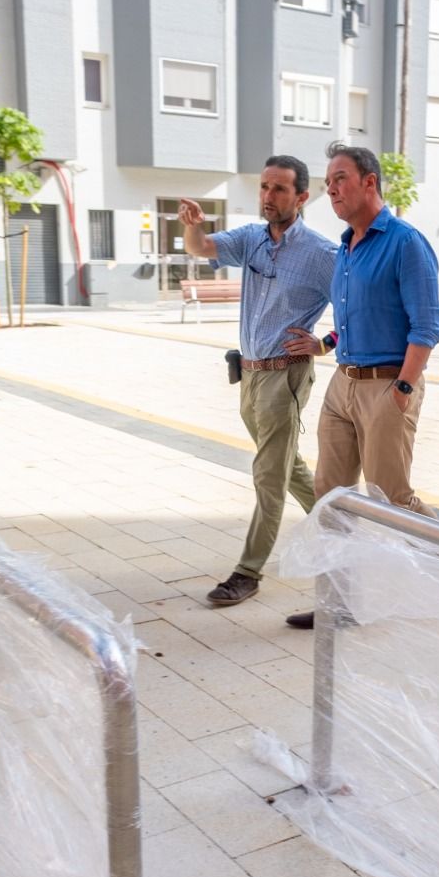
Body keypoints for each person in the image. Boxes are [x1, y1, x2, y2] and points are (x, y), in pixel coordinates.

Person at [283, 143, 439, 630]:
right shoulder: (347, 248)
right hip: (342, 385)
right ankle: (337, 605)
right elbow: (351, 319)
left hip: (387, 386)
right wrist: (324, 343)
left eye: (340, 179)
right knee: (331, 498)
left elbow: (426, 326)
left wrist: (402, 390)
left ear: (369, 182)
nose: (330, 190)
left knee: (391, 496)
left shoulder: (405, 243)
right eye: (328, 182)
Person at [178, 155, 337, 608]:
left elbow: (356, 311)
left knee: (268, 476)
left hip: (285, 377)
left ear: (301, 197)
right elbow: (201, 247)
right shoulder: (251, 238)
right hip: (249, 375)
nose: (268, 196)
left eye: (279, 189)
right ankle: (344, 526)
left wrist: (324, 343)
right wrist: (192, 226)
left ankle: (248, 573)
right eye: (265, 187)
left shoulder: (322, 254)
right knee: (287, 466)